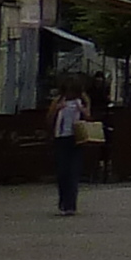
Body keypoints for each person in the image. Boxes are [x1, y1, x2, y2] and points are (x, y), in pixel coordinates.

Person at [49, 81, 87, 218]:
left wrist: (82, 110)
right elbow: (49, 118)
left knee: (73, 172)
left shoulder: (80, 101)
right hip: (61, 138)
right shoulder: (59, 101)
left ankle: (70, 204)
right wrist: (57, 109)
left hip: (76, 139)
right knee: (62, 172)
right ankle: (63, 200)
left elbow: (88, 115)